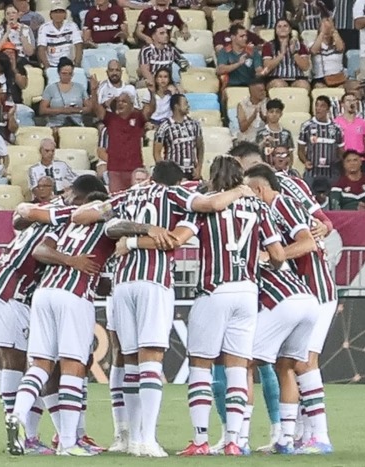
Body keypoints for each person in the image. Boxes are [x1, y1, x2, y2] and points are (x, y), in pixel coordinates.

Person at [72, 159, 260, 457]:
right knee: (151, 360)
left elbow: (82, 215)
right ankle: (148, 439)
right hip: (154, 281)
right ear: (177, 181)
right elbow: (206, 208)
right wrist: (240, 190)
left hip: (122, 283)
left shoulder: (127, 195)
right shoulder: (175, 194)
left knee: (128, 361)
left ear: (152, 176)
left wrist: (129, 239)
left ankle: (129, 437)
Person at [111, 158, 284, 457]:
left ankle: (201, 439)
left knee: (200, 366)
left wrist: (132, 244)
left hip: (214, 290)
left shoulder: (203, 208)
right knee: (237, 367)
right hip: (247, 291)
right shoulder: (259, 207)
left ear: (213, 177)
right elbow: (278, 255)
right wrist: (258, 263)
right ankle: (234, 440)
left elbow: (174, 240)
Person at [7, 180, 167, 457]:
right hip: (75, 294)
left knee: (41, 364)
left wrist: (67, 259)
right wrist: (146, 228)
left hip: (44, 293)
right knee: (73, 366)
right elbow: (116, 228)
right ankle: (68, 442)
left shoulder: (66, 223)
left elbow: (39, 251)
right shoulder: (106, 220)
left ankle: (17, 416)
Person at [0, 175, 107, 456]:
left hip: (3, 284)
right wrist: (72, 261)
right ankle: (25, 432)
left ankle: (56, 432)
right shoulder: (69, 214)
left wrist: (26, 211)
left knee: (32, 364)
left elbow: (19, 218)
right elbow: (39, 249)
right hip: (12, 289)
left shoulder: (52, 209)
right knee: (19, 362)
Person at [242, 164, 329, 455]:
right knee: (286, 365)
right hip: (301, 290)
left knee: (303, 363)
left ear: (258, 189)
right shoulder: (271, 211)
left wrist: (271, 256)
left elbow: (308, 243)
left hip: (315, 288)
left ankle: (319, 436)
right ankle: (292, 437)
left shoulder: (282, 204)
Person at [90, 75, 156, 192]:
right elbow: (96, 108)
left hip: (135, 169)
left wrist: (152, 92)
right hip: (115, 169)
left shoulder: (138, 118)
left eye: (124, 101)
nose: (120, 103)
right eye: (119, 101)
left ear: (131, 105)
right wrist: (94, 91)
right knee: (116, 198)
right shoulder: (110, 119)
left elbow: (150, 109)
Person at [153, 94, 204, 180]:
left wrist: (199, 168)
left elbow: (200, 147)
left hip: (192, 172)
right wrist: (165, 172)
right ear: (176, 106)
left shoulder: (194, 125)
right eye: (185, 103)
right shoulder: (164, 127)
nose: (188, 106)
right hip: (173, 174)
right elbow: (156, 153)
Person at [298, 95, 345, 185]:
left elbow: (341, 151)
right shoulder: (306, 126)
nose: (318, 108)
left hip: (332, 173)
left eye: (322, 106)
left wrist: (340, 166)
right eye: (317, 105)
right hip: (312, 172)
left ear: (328, 109)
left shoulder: (336, 128)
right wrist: (305, 161)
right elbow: (300, 150)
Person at [40, 57, 91, 128]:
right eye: (64, 73)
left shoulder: (80, 88)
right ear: (58, 73)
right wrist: (62, 110)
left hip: (76, 125)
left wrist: (76, 110)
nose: (67, 76)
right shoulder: (50, 88)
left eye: (70, 74)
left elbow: (89, 108)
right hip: (55, 125)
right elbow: (42, 110)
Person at [261, 19, 311, 91]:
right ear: (275, 30)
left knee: (304, 85)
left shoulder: (300, 45)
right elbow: (267, 67)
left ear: (290, 29)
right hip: (275, 78)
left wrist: (294, 53)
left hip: (296, 78)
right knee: (279, 84)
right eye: (279, 26)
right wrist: (281, 54)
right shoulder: (268, 46)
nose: (282, 28)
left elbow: (305, 67)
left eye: (285, 26)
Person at [37, 1, 83, 69]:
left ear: (65, 14)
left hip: (70, 64)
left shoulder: (72, 25)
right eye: (55, 12)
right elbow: (41, 49)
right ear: (50, 15)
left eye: (61, 12)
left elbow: (78, 46)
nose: (58, 15)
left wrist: (77, 65)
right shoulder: (44, 28)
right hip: (52, 65)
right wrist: (47, 67)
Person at [217, 25, 264, 89]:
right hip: (230, 86)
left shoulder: (253, 52)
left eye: (246, 36)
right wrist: (238, 63)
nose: (245, 38)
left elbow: (259, 69)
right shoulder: (224, 51)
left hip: (250, 86)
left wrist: (260, 72)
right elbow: (220, 70)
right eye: (241, 36)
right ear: (233, 37)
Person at [334, 92, 365, 166]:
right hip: (343, 160)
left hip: (360, 160)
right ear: (342, 104)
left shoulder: (363, 123)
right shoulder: (336, 123)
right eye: (348, 100)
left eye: (354, 100)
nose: (352, 103)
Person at [309, 18, 346, 89]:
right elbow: (314, 51)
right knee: (320, 87)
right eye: (324, 27)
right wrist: (322, 33)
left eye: (328, 28)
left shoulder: (337, 42)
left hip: (338, 77)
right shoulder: (312, 43)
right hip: (320, 78)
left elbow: (340, 48)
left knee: (342, 88)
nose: (327, 30)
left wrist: (333, 30)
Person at [236, 78, 267, 143]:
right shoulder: (242, 104)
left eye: (264, 90)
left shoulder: (268, 102)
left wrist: (263, 117)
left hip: (264, 139)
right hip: (247, 140)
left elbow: (272, 124)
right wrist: (253, 116)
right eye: (260, 91)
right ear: (252, 92)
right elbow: (242, 128)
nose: (263, 93)